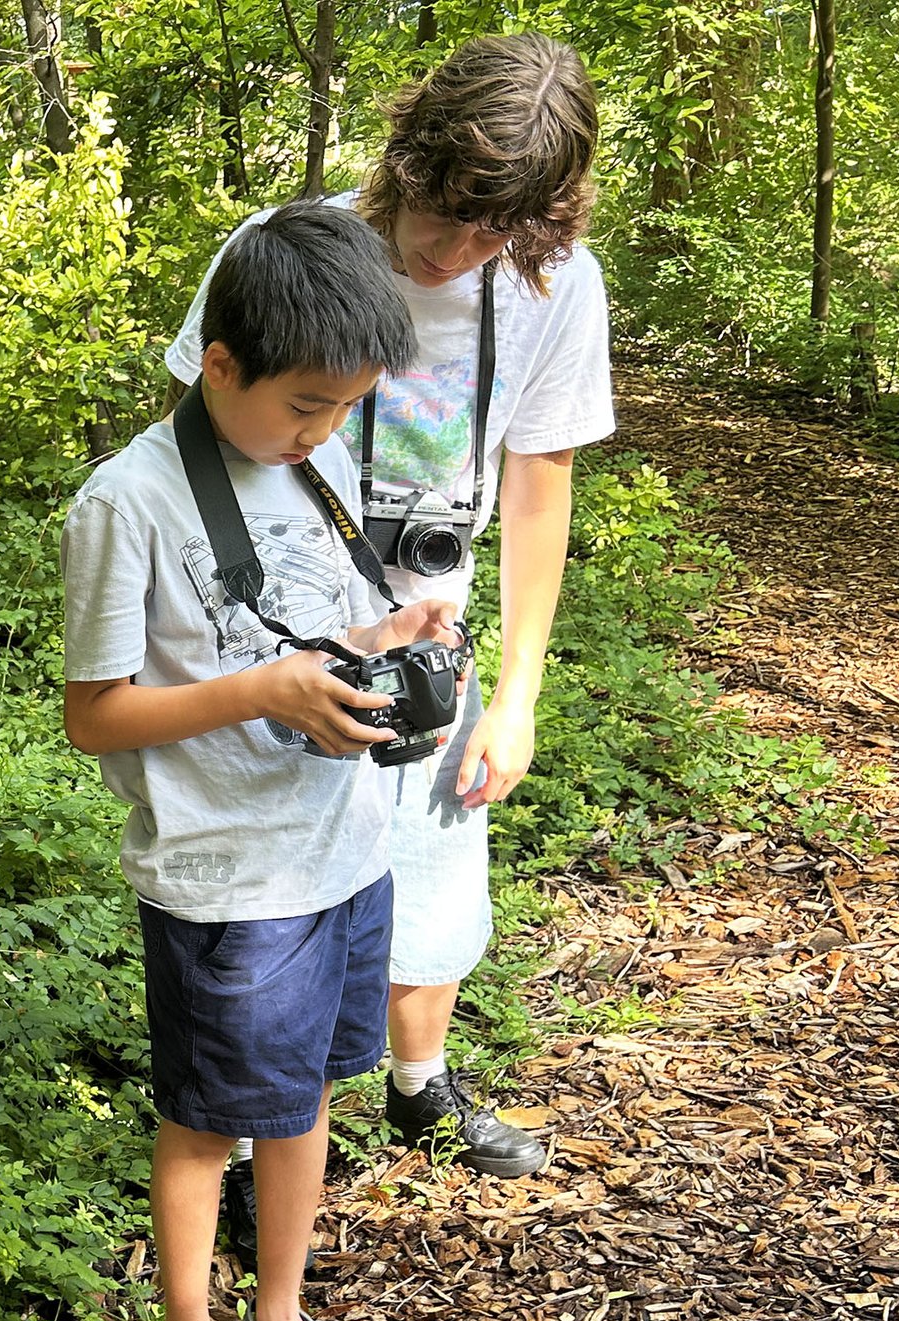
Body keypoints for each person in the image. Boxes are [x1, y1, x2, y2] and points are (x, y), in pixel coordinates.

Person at [168, 33, 614, 1217]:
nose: (455, 249)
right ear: (404, 154)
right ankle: (263, 1131)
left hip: (429, 630)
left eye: (495, 232)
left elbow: (538, 479)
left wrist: (515, 697)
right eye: (445, 212)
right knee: (276, 893)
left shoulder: (554, 285)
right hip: (280, 627)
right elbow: (197, 431)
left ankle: (418, 1085)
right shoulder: (293, 247)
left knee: (436, 863)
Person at [63, 203, 461, 1321]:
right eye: (302, 406)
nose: (322, 432)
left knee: (303, 1106)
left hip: (345, 851)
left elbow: (314, 633)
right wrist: (260, 693)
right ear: (217, 363)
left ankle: (281, 1312)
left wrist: (386, 647)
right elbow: (95, 716)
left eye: (342, 409)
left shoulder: (316, 463)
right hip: (227, 881)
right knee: (210, 1121)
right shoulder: (125, 502)